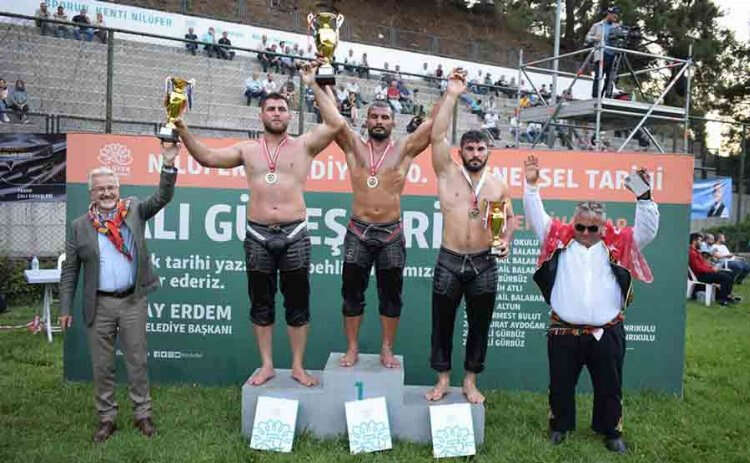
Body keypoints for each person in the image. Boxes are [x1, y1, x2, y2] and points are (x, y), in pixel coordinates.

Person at [174, 60, 346, 387]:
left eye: (282, 109)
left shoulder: (305, 144)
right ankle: (266, 365)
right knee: (261, 304)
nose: (277, 114)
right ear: (261, 115)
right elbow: (207, 158)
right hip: (257, 235)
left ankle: (297, 366)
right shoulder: (247, 149)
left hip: (295, 233)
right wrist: (182, 129)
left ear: (290, 115)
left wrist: (312, 83)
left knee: (297, 305)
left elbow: (336, 122)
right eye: (271, 109)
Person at [523, 155, 659, 453]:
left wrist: (644, 196)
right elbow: (535, 215)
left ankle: (611, 432)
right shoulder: (557, 238)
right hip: (563, 330)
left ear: (603, 227)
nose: (585, 233)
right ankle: (559, 426)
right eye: (580, 227)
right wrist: (531, 187)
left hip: (607, 330)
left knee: (610, 386)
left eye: (592, 229)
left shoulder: (619, 242)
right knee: (560, 384)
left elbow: (648, 230)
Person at [59, 142, 179, 443]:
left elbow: (163, 196)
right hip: (98, 305)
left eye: (111, 187)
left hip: (132, 301)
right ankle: (106, 418)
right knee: (102, 365)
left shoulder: (134, 210)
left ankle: (142, 414)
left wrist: (168, 164)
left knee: (137, 361)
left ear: (118, 188)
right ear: (91, 193)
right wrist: (65, 308)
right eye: (100, 189)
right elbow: (70, 270)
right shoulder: (79, 227)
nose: (107, 193)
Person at [331, 80, 444, 370]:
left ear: (394, 122)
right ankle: (352, 347)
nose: (379, 121)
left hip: (391, 233)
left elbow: (433, 124)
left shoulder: (404, 149)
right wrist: (319, 84)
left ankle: (387, 348)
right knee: (351, 294)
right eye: (374, 116)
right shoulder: (354, 146)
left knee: (391, 296)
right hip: (358, 230)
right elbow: (333, 119)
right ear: (366, 120)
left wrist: (451, 93)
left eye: (384, 117)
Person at [425, 70, 513, 404]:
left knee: (479, 325)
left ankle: (470, 381)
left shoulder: (498, 184)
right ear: (460, 152)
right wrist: (452, 95)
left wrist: (504, 240)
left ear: (488, 151)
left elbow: (504, 220)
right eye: (470, 148)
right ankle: (442, 379)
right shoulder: (447, 173)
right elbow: (437, 136)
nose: (475, 153)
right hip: (449, 260)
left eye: (481, 148)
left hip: (483, 263)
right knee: (442, 324)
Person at [689, 233, 737, 305]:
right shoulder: (692, 252)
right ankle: (722, 299)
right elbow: (698, 268)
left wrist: (712, 267)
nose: (701, 243)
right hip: (701, 276)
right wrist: (712, 270)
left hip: (705, 273)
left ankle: (727, 295)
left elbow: (703, 265)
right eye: (700, 240)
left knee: (730, 273)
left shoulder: (696, 251)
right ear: (694, 241)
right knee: (725, 277)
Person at [586, 6, 621, 98]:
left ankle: (607, 96)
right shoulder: (597, 25)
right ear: (608, 14)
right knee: (598, 76)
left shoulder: (617, 27)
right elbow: (587, 38)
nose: (615, 17)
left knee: (610, 77)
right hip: (601, 54)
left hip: (613, 55)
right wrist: (596, 38)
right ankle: (595, 96)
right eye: (614, 15)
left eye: (616, 16)